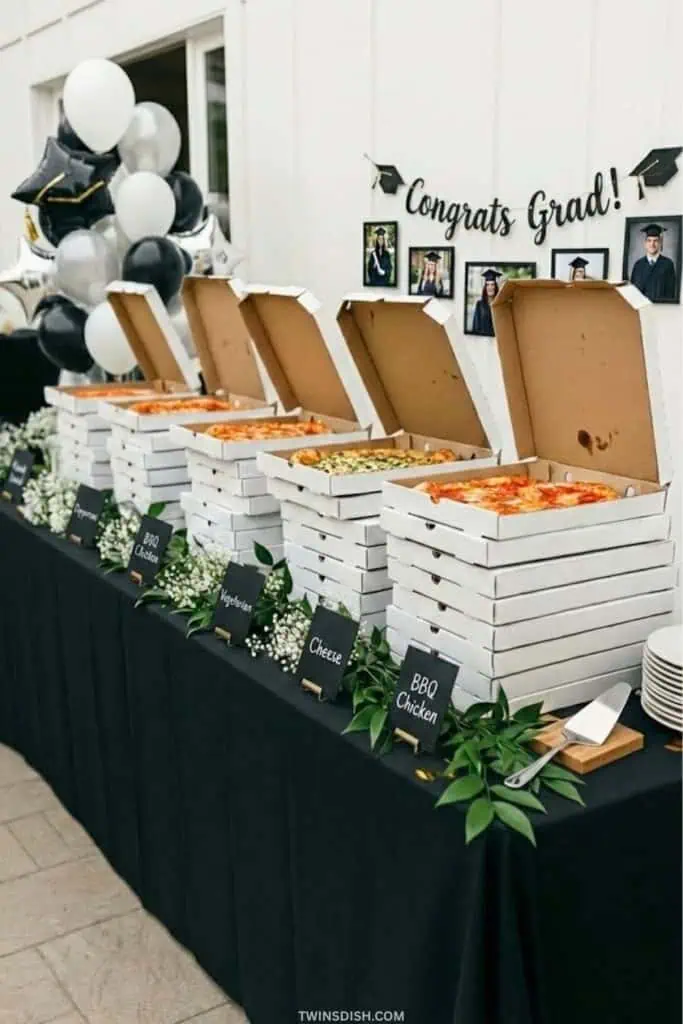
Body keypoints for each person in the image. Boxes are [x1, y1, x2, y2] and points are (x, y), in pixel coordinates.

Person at [630, 223, 677, 302]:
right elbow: (633, 292)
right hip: (642, 310)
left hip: (661, 309)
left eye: (655, 241)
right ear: (645, 244)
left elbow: (671, 293)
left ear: (660, 243)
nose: (652, 244)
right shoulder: (638, 265)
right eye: (649, 241)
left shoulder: (668, 264)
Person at [471, 268, 502, 336]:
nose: (490, 287)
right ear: (485, 287)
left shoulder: (499, 305)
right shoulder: (479, 304)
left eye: (492, 284)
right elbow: (475, 327)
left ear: (495, 287)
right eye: (487, 285)